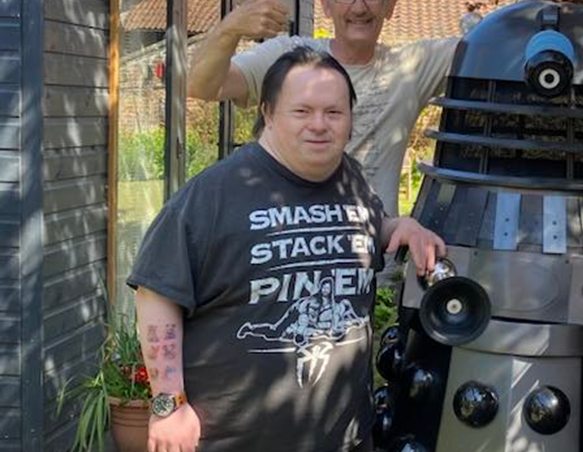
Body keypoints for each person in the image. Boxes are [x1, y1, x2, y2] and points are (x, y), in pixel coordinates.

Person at [129, 47, 447, 452]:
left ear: (350, 118)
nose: (319, 125)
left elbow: (363, 228)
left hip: (345, 437)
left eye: (334, 113)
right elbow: (157, 293)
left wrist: (401, 227)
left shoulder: (349, 177)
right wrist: (168, 404)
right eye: (302, 111)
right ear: (268, 112)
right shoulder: (214, 194)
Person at [187, 0, 583, 215]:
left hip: (371, 260)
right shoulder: (288, 57)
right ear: (326, 4)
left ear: (390, 7)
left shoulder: (411, 67)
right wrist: (230, 29)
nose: (358, 7)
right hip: (287, 250)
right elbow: (202, 86)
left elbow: (486, 42)